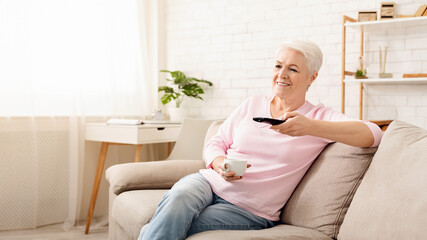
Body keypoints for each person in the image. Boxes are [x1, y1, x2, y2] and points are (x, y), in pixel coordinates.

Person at [138, 40, 383, 240]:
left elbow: (373, 134)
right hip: (208, 182)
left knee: (167, 225)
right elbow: (216, 142)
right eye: (278, 66)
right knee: (178, 200)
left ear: (312, 77)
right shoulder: (253, 103)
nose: (282, 75)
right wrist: (219, 163)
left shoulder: (319, 117)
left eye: (293, 69)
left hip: (249, 211)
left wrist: (310, 127)